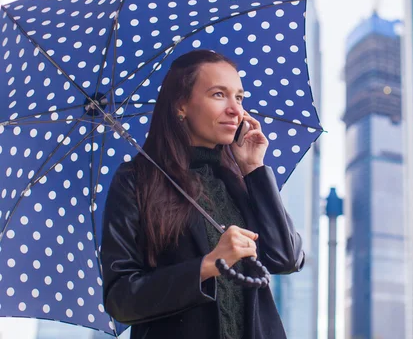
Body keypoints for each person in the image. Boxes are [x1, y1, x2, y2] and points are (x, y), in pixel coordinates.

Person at [100, 49, 305, 339]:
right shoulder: (137, 180)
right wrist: (208, 265)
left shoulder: (240, 180)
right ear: (181, 105)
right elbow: (121, 298)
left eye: (239, 97)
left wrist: (254, 168)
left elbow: (286, 258)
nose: (235, 109)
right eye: (219, 95)